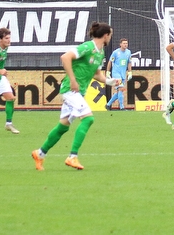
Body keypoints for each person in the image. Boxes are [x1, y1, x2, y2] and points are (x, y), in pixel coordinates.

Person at [32, 22, 119, 171]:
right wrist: (72, 80)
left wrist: (112, 82)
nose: (110, 37)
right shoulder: (87, 47)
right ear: (105, 35)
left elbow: (97, 74)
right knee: (89, 118)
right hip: (70, 90)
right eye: (110, 35)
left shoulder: (100, 52)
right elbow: (65, 57)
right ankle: (72, 156)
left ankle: (40, 153)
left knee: (63, 127)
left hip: (79, 92)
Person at [106, 38, 132, 110]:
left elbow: (129, 62)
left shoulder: (128, 52)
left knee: (120, 90)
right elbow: (110, 61)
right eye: (124, 43)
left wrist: (130, 72)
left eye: (126, 43)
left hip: (123, 74)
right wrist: (108, 72)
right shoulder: (116, 52)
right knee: (120, 89)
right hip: (116, 73)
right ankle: (122, 107)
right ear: (120, 44)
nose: (125, 45)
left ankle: (108, 104)